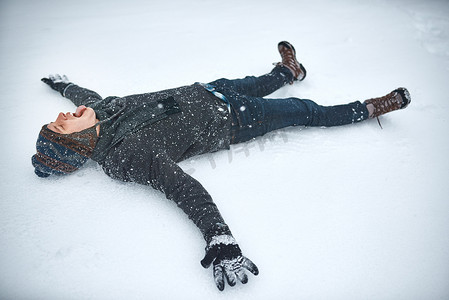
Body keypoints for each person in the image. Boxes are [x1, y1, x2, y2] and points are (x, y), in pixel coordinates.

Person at [31, 41, 411, 291]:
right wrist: (219, 235)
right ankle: (370, 108)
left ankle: (289, 72)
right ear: (75, 141)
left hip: (210, 90)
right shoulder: (126, 157)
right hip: (235, 120)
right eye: (62, 122)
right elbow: (182, 188)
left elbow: (85, 96)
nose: (64, 114)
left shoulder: (102, 112)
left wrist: (64, 87)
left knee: (258, 81)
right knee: (304, 111)